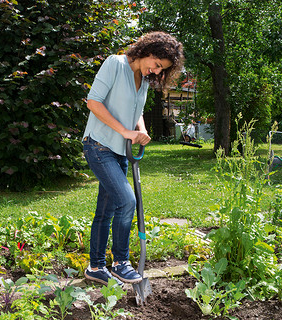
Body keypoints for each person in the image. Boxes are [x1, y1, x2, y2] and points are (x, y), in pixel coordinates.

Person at [82, 31, 184, 286]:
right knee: (127, 201)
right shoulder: (115, 64)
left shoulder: (145, 80)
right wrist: (125, 131)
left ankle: (95, 267)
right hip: (99, 145)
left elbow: (136, 111)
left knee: (105, 211)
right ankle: (121, 262)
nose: (157, 71)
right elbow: (93, 102)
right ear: (149, 51)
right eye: (158, 64)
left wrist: (141, 128)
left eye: (162, 69)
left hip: (121, 150)